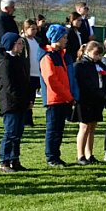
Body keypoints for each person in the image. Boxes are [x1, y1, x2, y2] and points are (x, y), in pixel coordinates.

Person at [0, 33, 32, 173]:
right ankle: (4, 161)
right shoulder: (5, 62)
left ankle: (14, 160)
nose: (21, 46)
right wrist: (20, 99)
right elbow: (8, 86)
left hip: (21, 102)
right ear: (11, 44)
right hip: (11, 103)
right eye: (19, 43)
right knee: (10, 133)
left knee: (18, 133)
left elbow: (25, 81)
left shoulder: (18, 59)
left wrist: (28, 99)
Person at [39, 24, 75, 167]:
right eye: (64, 37)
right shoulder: (48, 57)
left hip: (63, 98)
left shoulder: (60, 55)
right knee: (53, 129)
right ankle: (51, 157)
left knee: (59, 129)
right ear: (57, 38)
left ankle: (56, 155)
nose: (66, 40)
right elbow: (51, 80)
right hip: (54, 98)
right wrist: (67, 95)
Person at [72, 41, 106, 165]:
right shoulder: (80, 65)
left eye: (100, 54)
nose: (99, 57)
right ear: (87, 51)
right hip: (85, 100)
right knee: (84, 127)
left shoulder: (97, 65)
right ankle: (80, 155)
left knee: (92, 127)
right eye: (96, 54)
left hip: (97, 99)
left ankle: (89, 154)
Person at [20, 19, 41, 127]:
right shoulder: (23, 41)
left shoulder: (37, 41)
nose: (34, 31)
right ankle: (25, 119)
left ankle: (29, 118)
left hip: (36, 73)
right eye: (32, 29)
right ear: (25, 29)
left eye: (35, 29)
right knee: (26, 97)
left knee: (32, 98)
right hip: (27, 73)